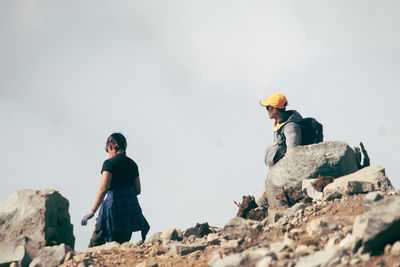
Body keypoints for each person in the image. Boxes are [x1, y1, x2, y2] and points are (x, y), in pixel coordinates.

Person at [81, 133, 150, 247]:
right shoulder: (133, 164)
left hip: (112, 209)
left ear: (113, 145)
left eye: (107, 148)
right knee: (121, 246)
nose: (108, 152)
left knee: (95, 245)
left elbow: (103, 189)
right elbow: (138, 190)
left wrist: (92, 211)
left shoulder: (109, 164)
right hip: (129, 210)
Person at [260, 93, 302, 167]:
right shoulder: (279, 124)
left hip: (285, 169)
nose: (267, 111)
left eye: (267, 107)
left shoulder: (290, 127)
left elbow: (292, 151)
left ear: (274, 110)